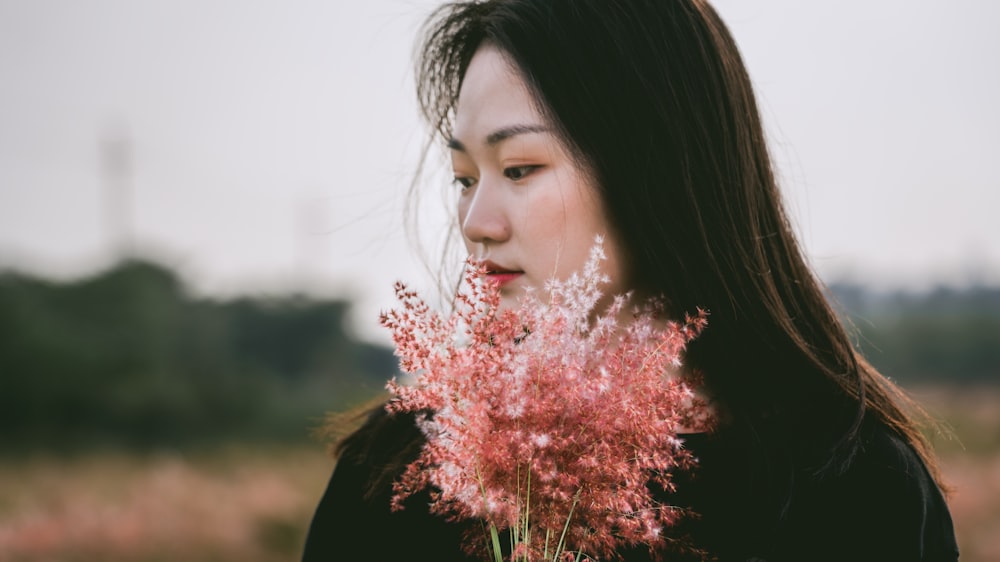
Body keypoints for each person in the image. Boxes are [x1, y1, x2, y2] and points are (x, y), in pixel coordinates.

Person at [300, 1, 959, 560]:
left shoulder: (851, 484)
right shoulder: (396, 475)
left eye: (521, 168)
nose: (476, 221)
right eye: (465, 177)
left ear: (659, 172)